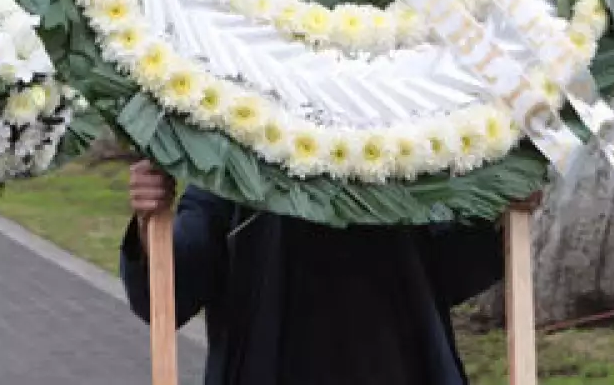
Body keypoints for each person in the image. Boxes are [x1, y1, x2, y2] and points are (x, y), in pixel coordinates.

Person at [120, 159, 535, 385]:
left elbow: (448, 268)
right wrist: (148, 223)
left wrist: (500, 210)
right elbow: (170, 291)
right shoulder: (233, 161)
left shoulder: (399, 152)